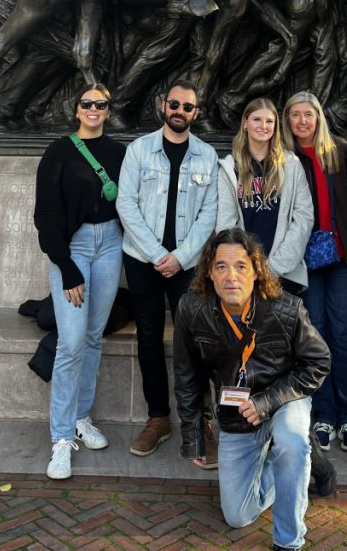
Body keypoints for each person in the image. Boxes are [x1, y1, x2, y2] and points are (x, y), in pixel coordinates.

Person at [174, 228, 331, 551]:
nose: (231, 276)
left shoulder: (287, 308)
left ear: (257, 271)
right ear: (210, 274)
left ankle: (289, 539)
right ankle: (297, 461)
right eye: (221, 267)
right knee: (238, 516)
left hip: (284, 400)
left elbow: (318, 362)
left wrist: (266, 402)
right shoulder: (192, 310)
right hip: (235, 413)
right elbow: (187, 376)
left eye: (241, 266)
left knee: (290, 441)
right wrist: (194, 438)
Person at [116, 78, 218, 459]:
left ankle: (200, 420)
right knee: (148, 337)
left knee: (195, 342)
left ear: (197, 112)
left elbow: (209, 214)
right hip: (143, 260)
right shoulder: (139, 150)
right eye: (174, 104)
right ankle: (157, 418)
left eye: (187, 107)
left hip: (188, 264)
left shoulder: (207, 156)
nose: (179, 111)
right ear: (164, 105)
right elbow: (126, 205)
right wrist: (159, 253)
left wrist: (182, 256)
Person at [33, 83, 127, 481]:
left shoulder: (119, 153)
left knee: (92, 337)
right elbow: (46, 215)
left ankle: (81, 418)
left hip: (111, 244)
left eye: (100, 104)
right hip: (73, 247)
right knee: (70, 343)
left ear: (107, 110)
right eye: (87, 103)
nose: (93, 109)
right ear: (77, 109)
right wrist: (66, 266)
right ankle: (60, 438)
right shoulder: (58, 152)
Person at [282, 91, 347, 452]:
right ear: (288, 120)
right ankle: (324, 415)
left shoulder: (341, 151)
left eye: (308, 115)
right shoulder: (284, 158)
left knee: (343, 333)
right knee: (317, 334)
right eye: (295, 115)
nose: (302, 121)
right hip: (306, 260)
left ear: (319, 118)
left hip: (343, 257)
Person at [216, 97, 314, 296]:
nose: (263, 126)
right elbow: (226, 223)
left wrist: (274, 267)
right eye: (257, 120)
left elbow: (304, 217)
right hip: (243, 275)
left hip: (284, 274)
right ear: (245, 123)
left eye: (269, 121)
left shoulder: (291, 165)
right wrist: (247, 266)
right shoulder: (229, 168)